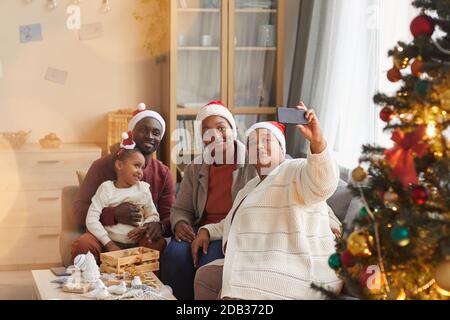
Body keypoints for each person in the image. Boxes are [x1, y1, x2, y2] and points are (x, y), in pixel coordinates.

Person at [193, 103, 343, 300]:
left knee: (232, 295)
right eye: (253, 144)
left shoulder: (294, 170)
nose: (260, 147)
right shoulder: (249, 188)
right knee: (204, 276)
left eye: (266, 140)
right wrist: (207, 230)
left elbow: (322, 184)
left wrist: (318, 143)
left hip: (289, 263)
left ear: (282, 150)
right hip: (254, 257)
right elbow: (230, 222)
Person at [162, 101, 258, 300]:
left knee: (209, 258)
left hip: (232, 230)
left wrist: (209, 232)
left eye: (221, 128)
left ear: (233, 129)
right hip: (200, 227)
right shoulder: (195, 167)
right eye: (207, 130)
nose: (214, 135)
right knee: (174, 254)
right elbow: (181, 208)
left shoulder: (252, 162)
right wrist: (180, 223)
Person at [71, 103, 175, 261]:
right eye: (143, 130)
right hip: (104, 236)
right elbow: (78, 212)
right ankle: (89, 283)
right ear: (131, 133)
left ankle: (148, 285)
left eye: (156, 132)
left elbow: (169, 217)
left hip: (139, 237)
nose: (150, 136)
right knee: (83, 245)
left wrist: (157, 226)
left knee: (156, 244)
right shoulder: (101, 167)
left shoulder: (163, 174)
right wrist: (113, 214)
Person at [86, 132, 161, 252]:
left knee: (158, 243)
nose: (140, 172)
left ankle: (147, 270)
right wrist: (108, 243)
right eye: (136, 166)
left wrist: (144, 227)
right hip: (108, 242)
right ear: (119, 165)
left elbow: (153, 215)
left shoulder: (143, 189)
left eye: (142, 167)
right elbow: (91, 219)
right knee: (84, 243)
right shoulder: (106, 189)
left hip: (137, 243)